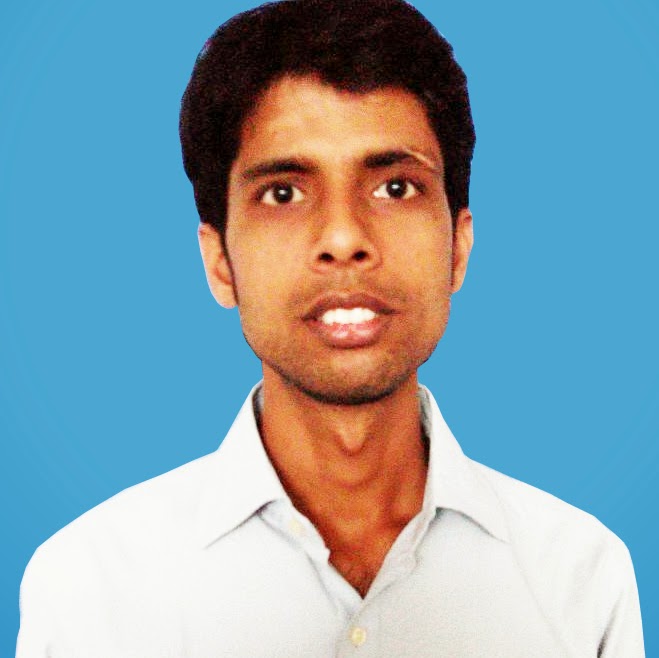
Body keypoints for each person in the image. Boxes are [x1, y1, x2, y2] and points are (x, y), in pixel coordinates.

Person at [16, 0, 644, 656]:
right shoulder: (86, 588)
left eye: (395, 188)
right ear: (219, 261)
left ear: (458, 248)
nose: (343, 239)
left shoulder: (581, 579)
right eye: (283, 192)